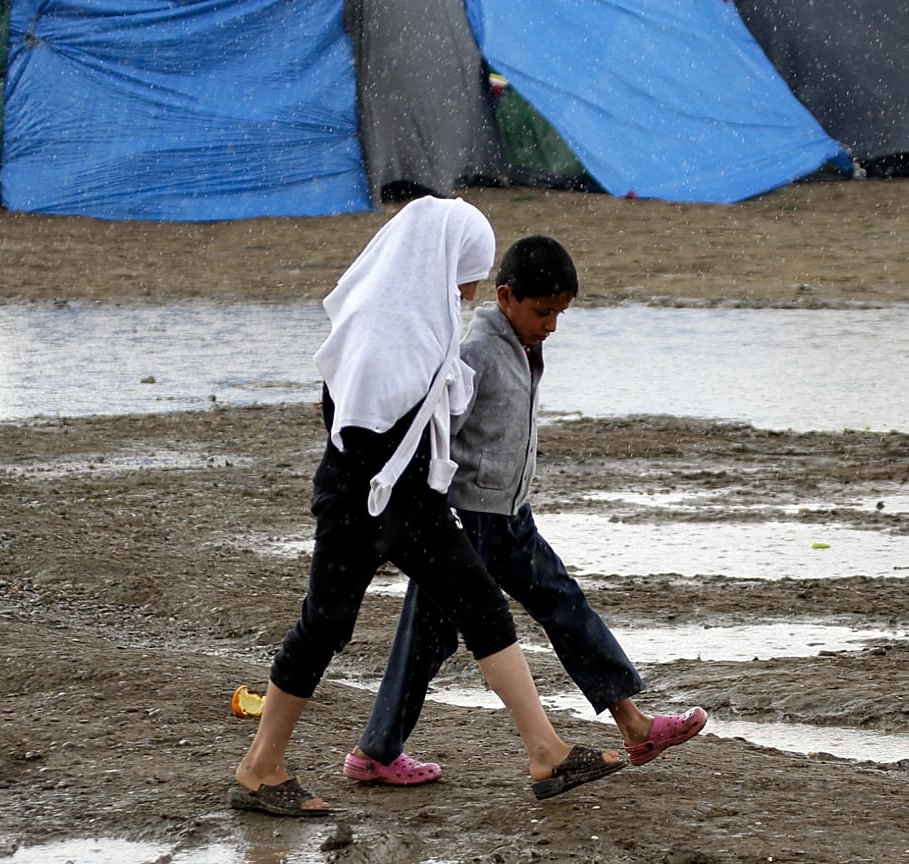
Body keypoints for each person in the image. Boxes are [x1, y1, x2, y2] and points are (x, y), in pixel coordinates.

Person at [231, 199, 625, 818]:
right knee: (324, 627)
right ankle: (260, 768)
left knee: (484, 610)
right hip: (364, 500)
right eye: (468, 275)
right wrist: (399, 488)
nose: (470, 289)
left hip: (408, 499)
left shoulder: (423, 319)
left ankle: (545, 751)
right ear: (440, 261)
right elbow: (358, 424)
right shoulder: (389, 325)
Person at [341, 235, 707, 788]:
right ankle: (375, 752)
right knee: (428, 636)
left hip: (511, 516)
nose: (552, 325)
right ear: (506, 296)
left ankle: (634, 725)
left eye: (560, 313)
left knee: (563, 601)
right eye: (543, 312)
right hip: (465, 522)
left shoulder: (527, 345)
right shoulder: (476, 353)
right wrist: (430, 514)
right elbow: (441, 435)